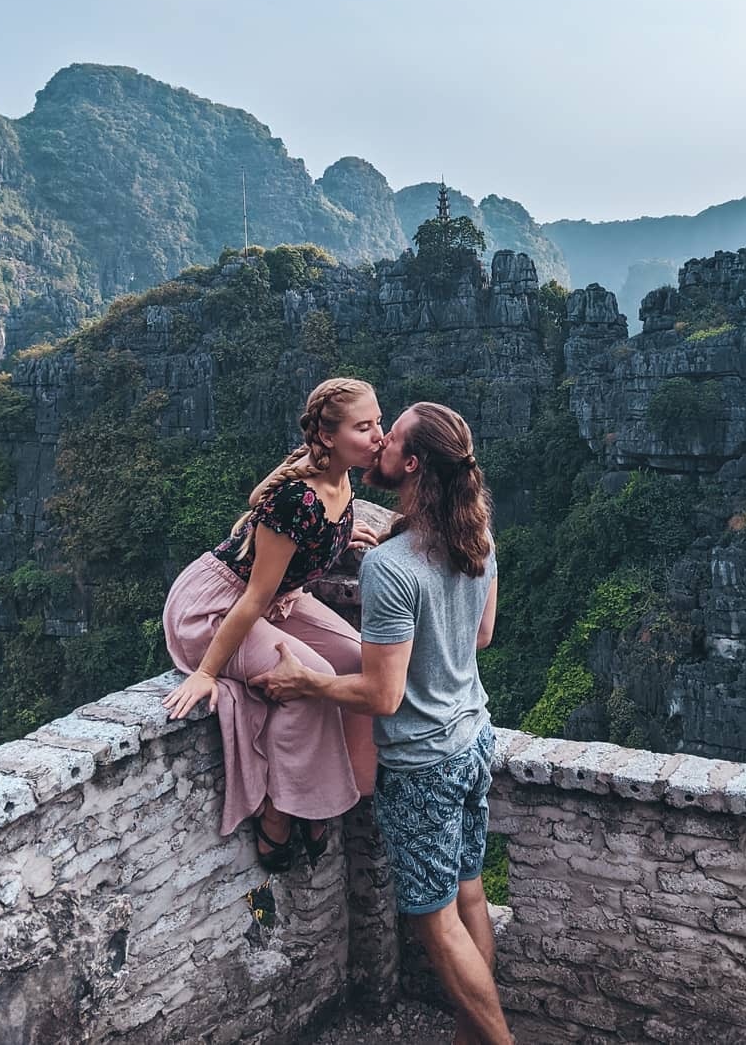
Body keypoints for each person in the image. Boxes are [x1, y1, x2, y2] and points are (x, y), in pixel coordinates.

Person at [251, 403, 510, 1045]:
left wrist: (307, 682)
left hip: (423, 765)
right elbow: (481, 635)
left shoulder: (391, 567)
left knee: (435, 921)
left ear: (412, 463)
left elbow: (381, 695)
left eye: (390, 437)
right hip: (474, 738)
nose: (379, 442)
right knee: (469, 893)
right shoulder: (475, 536)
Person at [161, 378, 383, 872]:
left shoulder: (338, 477)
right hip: (215, 609)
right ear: (327, 436)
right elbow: (252, 598)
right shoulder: (296, 502)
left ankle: (329, 788)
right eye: (363, 427)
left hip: (275, 600)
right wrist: (206, 673)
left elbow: (275, 518)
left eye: (379, 422)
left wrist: (339, 537)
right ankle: (280, 810)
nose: (378, 436)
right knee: (308, 677)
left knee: (356, 659)